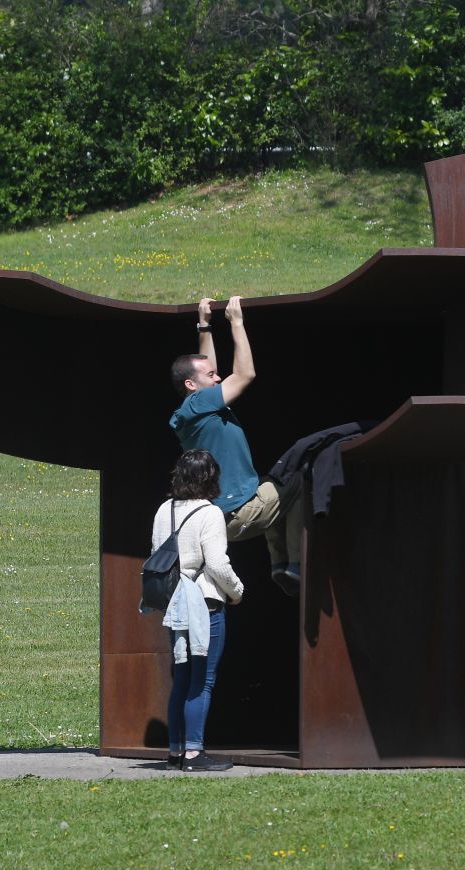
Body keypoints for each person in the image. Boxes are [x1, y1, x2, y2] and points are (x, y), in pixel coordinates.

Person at [168, 295, 306, 597]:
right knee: (301, 480)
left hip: (231, 511)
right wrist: (237, 323)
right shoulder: (202, 403)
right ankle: (293, 564)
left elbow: (207, 367)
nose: (218, 377)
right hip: (238, 513)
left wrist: (204, 325)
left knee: (270, 482)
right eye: (211, 376)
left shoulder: (196, 407)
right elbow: (245, 374)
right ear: (192, 385)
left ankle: (280, 565)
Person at [152, 449, 244, 772]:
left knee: (181, 679)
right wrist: (237, 591)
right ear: (210, 478)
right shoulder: (211, 513)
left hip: (175, 603)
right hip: (204, 604)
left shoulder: (164, 511)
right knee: (202, 681)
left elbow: (157, 555)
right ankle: (194, 754)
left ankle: (175, 752)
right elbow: (218, 565)